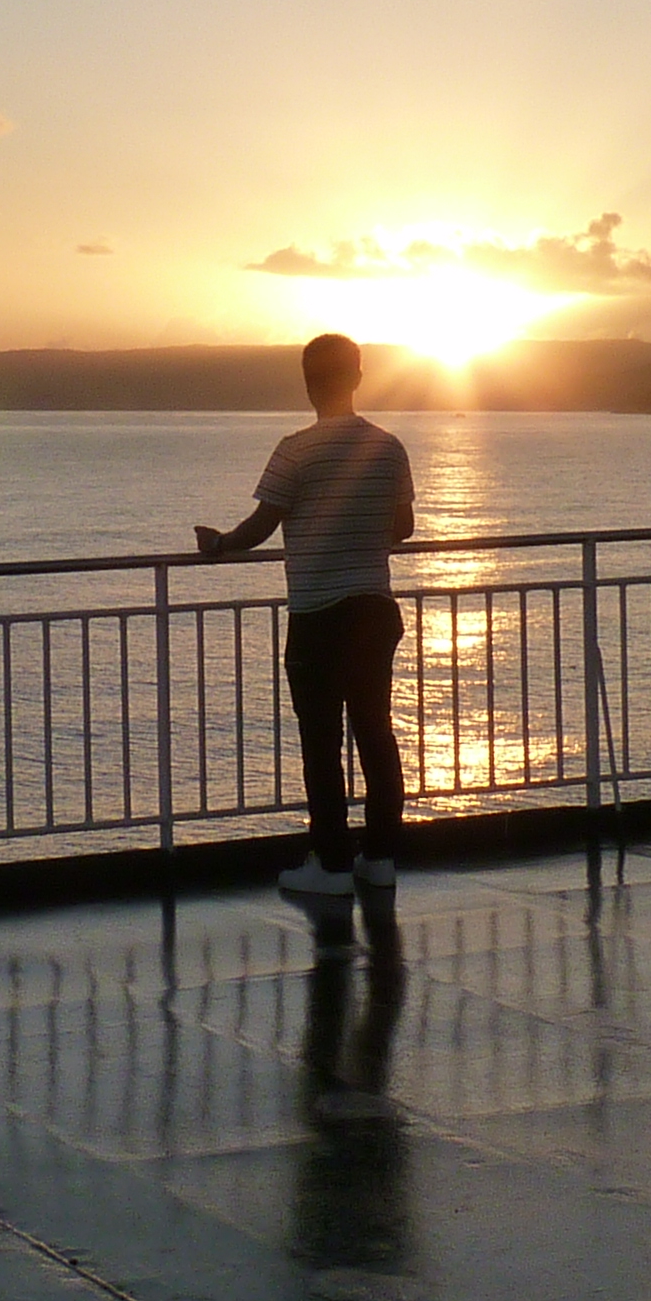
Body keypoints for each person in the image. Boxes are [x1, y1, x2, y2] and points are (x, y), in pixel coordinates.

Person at [196, 333, 416, 948]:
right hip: (375, 608)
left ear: (307, 381)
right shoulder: (388, 446)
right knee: (375, 732)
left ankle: (332, 865)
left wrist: (218, 544)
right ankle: (382, 860)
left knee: (322, 741)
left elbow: (262, 527)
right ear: (359, 376)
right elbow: (401, 527)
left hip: (318, 612)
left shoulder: (294, 451)